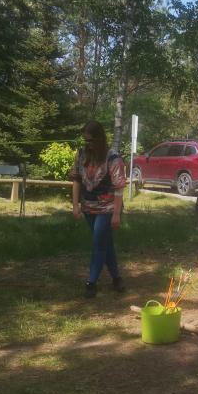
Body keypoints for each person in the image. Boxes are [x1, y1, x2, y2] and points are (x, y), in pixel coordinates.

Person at [70, 121, 127, 298]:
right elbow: (76, 180)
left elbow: (119, 188)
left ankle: (91, 282)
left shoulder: (113, 158)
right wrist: (75, 205)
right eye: (85, 140)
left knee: (98, 243)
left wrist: (116, 214)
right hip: (88, 207)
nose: (87, 144)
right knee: (105, 243)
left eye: (90, 141)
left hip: (107, 208)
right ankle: (116, 278)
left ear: (99, 139)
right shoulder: (81, 154)